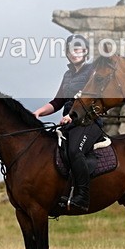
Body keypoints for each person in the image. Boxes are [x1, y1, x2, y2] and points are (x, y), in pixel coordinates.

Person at [33, 34, 101, 211]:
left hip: (88, 121)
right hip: (69, 123)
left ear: (85, 51)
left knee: (74, 150)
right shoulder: (68, 75)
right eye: (71, 50)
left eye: (78, 49)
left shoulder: (92, 71)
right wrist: (38, 112)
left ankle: (82, 197)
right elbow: (57, 102)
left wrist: (71, 116)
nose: (74, 53)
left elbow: (90, 99)